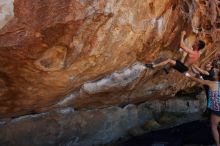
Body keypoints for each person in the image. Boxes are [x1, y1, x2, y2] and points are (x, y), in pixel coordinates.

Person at [185, 72, 220, 146]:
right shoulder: (211, 83)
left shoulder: (212, 83)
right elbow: (204, 82)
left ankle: (218, 144)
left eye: (216, 74)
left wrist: (187, 74)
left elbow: (199, 81)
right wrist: (200, 76)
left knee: (214, 126)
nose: (214, 75)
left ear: (218, 77)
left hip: (217, 110)